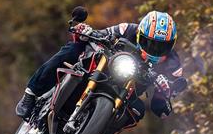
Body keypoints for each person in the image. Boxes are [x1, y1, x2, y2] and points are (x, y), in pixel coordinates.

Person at [15, 10, 187, 124]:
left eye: (161, 46)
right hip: (104, 68)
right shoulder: (128, 29)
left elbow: (162, 104)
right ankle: (30, 94)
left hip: (127, 91)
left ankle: (98, 133)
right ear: (140, 34)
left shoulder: (173, 64)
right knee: (73, 49)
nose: (153, 49)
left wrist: (165, 93)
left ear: (171, 45)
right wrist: (86, 32)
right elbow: (103, 34)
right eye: (149, 43)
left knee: (138, 110)